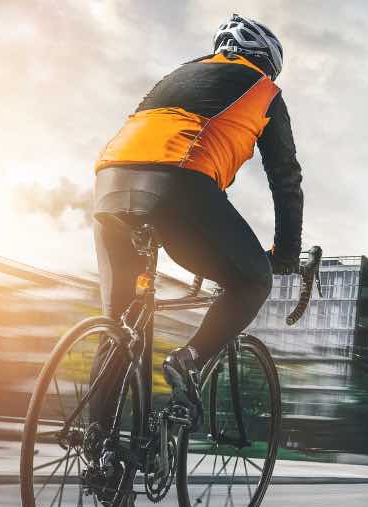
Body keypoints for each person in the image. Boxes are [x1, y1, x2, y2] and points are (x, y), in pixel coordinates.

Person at [92, 14, 302, 421]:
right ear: (268, 62)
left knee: (117, 325)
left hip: (110, 185)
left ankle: (99, 454)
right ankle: (187, 359)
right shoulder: (264, 90)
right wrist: (287, 252)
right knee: (252, 278)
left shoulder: (175, 76)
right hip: (179, 185)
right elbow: (285, 176)